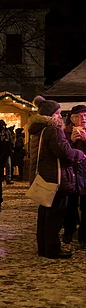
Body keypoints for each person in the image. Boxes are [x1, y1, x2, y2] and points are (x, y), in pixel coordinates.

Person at [28, 96, 85, 259]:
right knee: (55, 215)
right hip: (56, 178)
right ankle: (52, 248)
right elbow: (64, 152)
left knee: (45, 214)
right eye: (58, 113)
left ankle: (44, 247)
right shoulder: (53, 130)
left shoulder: (38, 129)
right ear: (50, 115)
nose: (60, 117)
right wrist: (80, 153)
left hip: (45, 176)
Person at [62, 104, 86, 249]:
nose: (83, 119)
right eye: (79, 116)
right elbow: (62, 152)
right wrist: (71, 141)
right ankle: (69, 231)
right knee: (69, 205)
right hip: (70, 173)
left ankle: (84, 237)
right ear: (72, 118)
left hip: (85, 173)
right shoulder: (64, 132)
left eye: (85, 116)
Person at [0, 120, 14, 185]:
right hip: (1, 151)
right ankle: (2, 178)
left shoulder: (6, 132)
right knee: (3, 166)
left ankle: (7, 179)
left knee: (7, 165)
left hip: (6, 151)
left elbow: (10, 141)